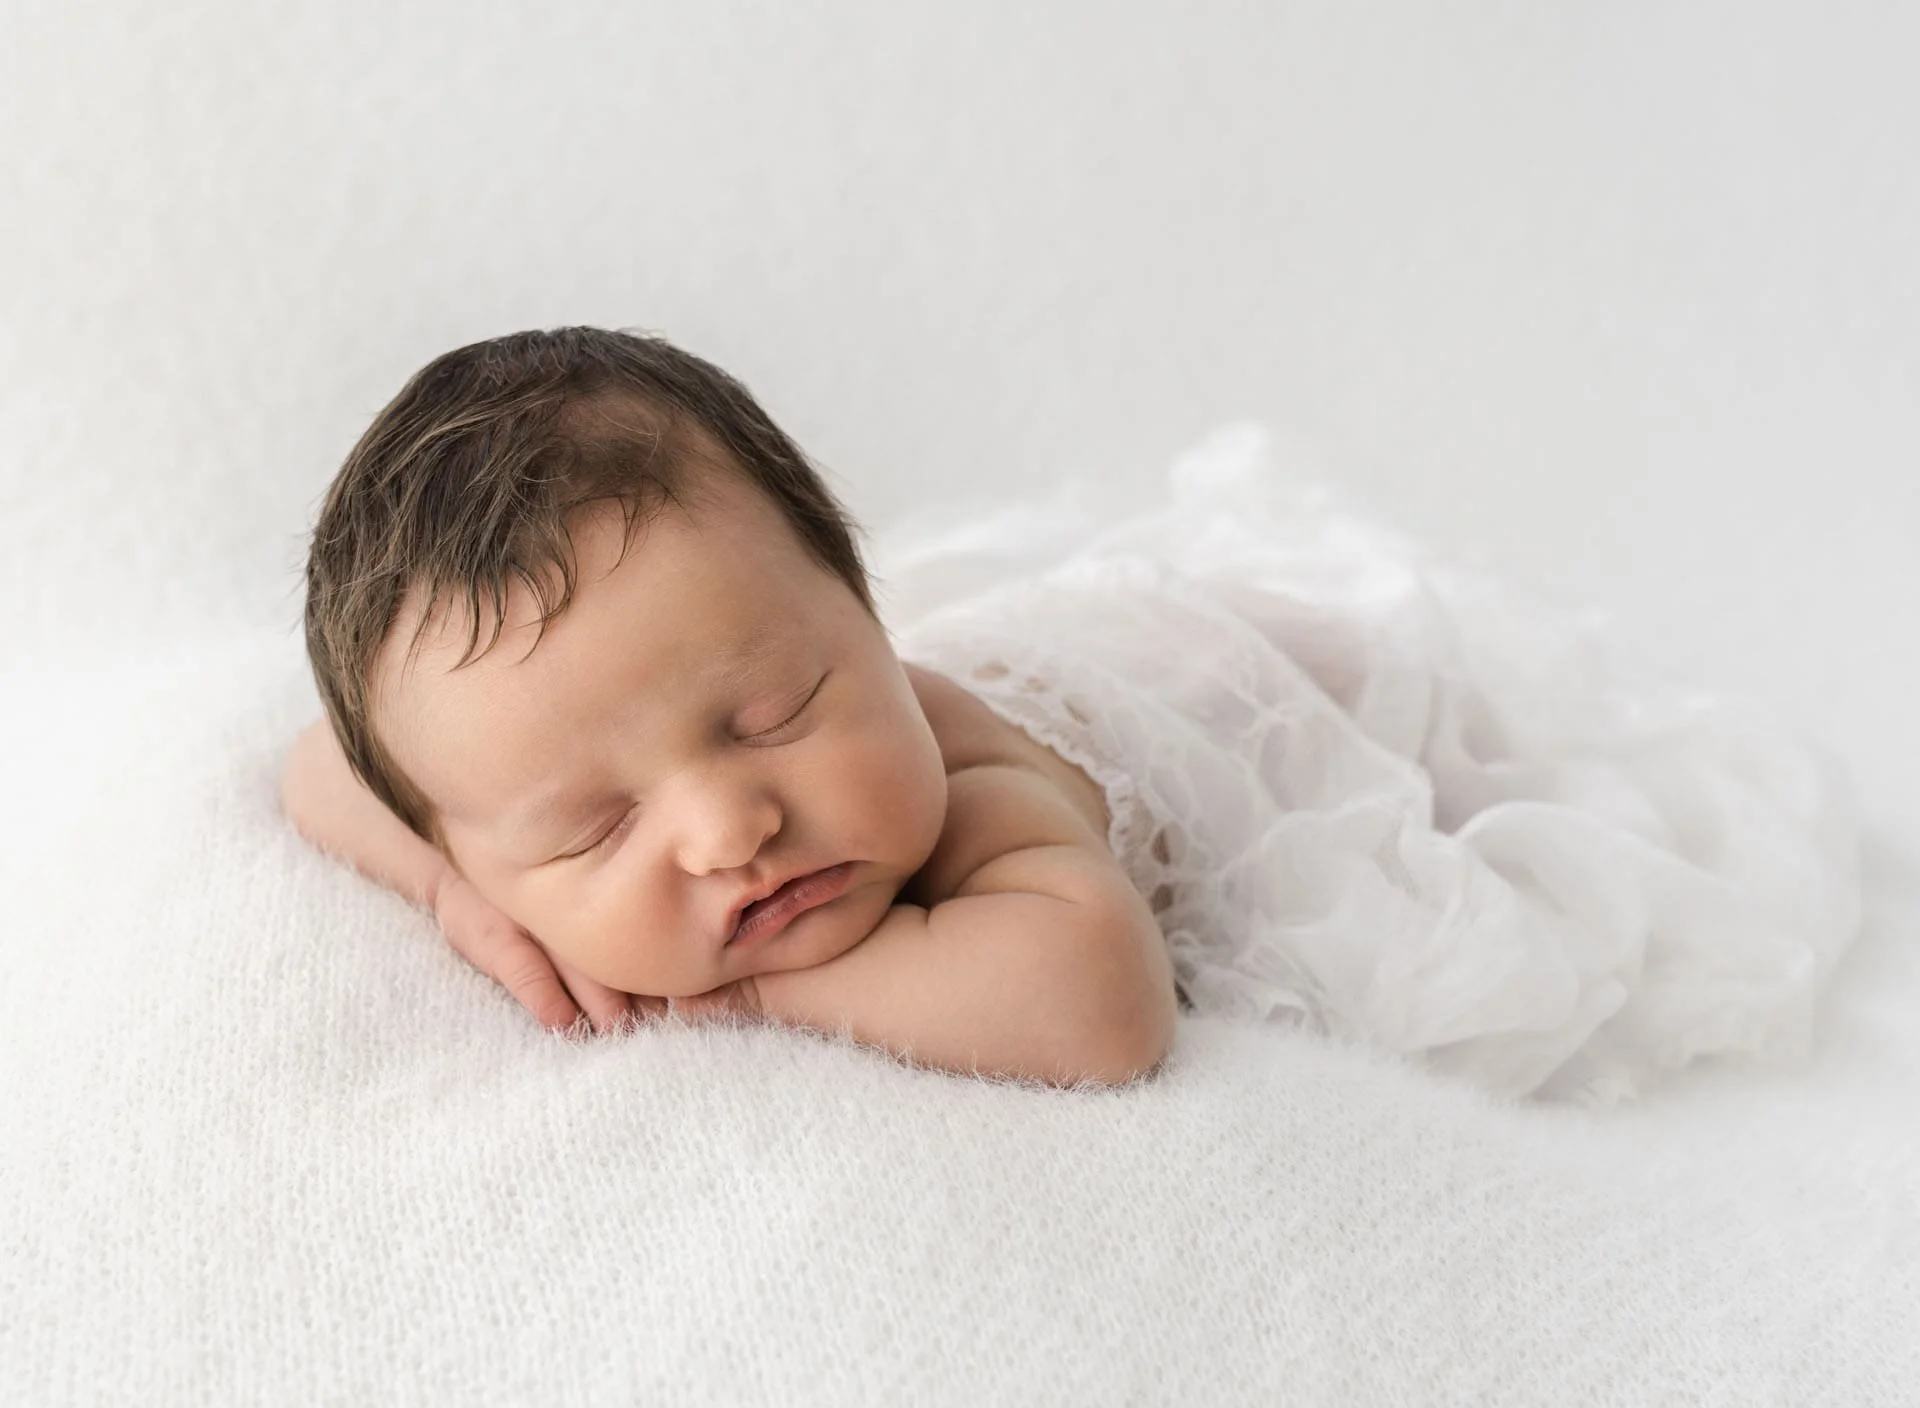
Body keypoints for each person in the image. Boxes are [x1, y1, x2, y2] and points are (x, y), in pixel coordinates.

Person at [284, 326, 1860, 1102]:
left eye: (775, 712)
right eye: (596, 825)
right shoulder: (503, 806)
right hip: (1100, 634)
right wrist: (458, 892)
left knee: (1388, 668)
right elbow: (321, 765)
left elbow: (1100, 1010)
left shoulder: (971, 805)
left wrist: (745, 1003)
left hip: (1258, 696)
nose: (726, 825)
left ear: (871, 622)